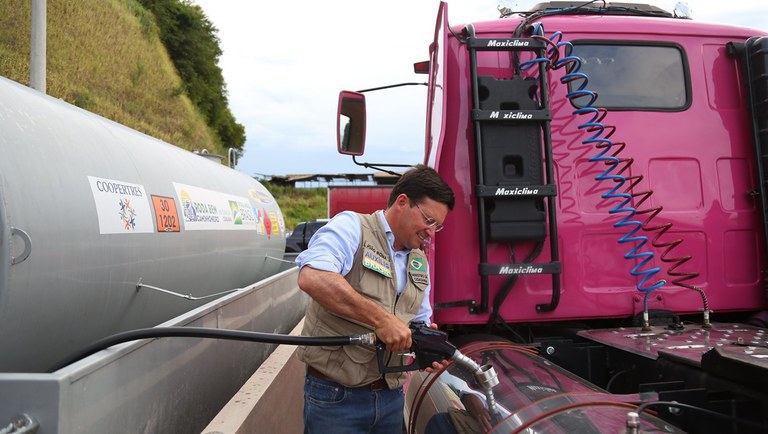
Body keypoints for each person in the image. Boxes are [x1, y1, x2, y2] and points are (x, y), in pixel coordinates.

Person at [295, 164, 455, 433]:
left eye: (438, 226)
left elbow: (418, 321)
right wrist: (382, 320)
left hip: (391, 398)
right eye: (429, 220)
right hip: (336, 398)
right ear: (403, 202)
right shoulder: (352, 227)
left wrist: (429, 345)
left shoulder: (418, 261)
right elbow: (313, 277)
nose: (431, 232)